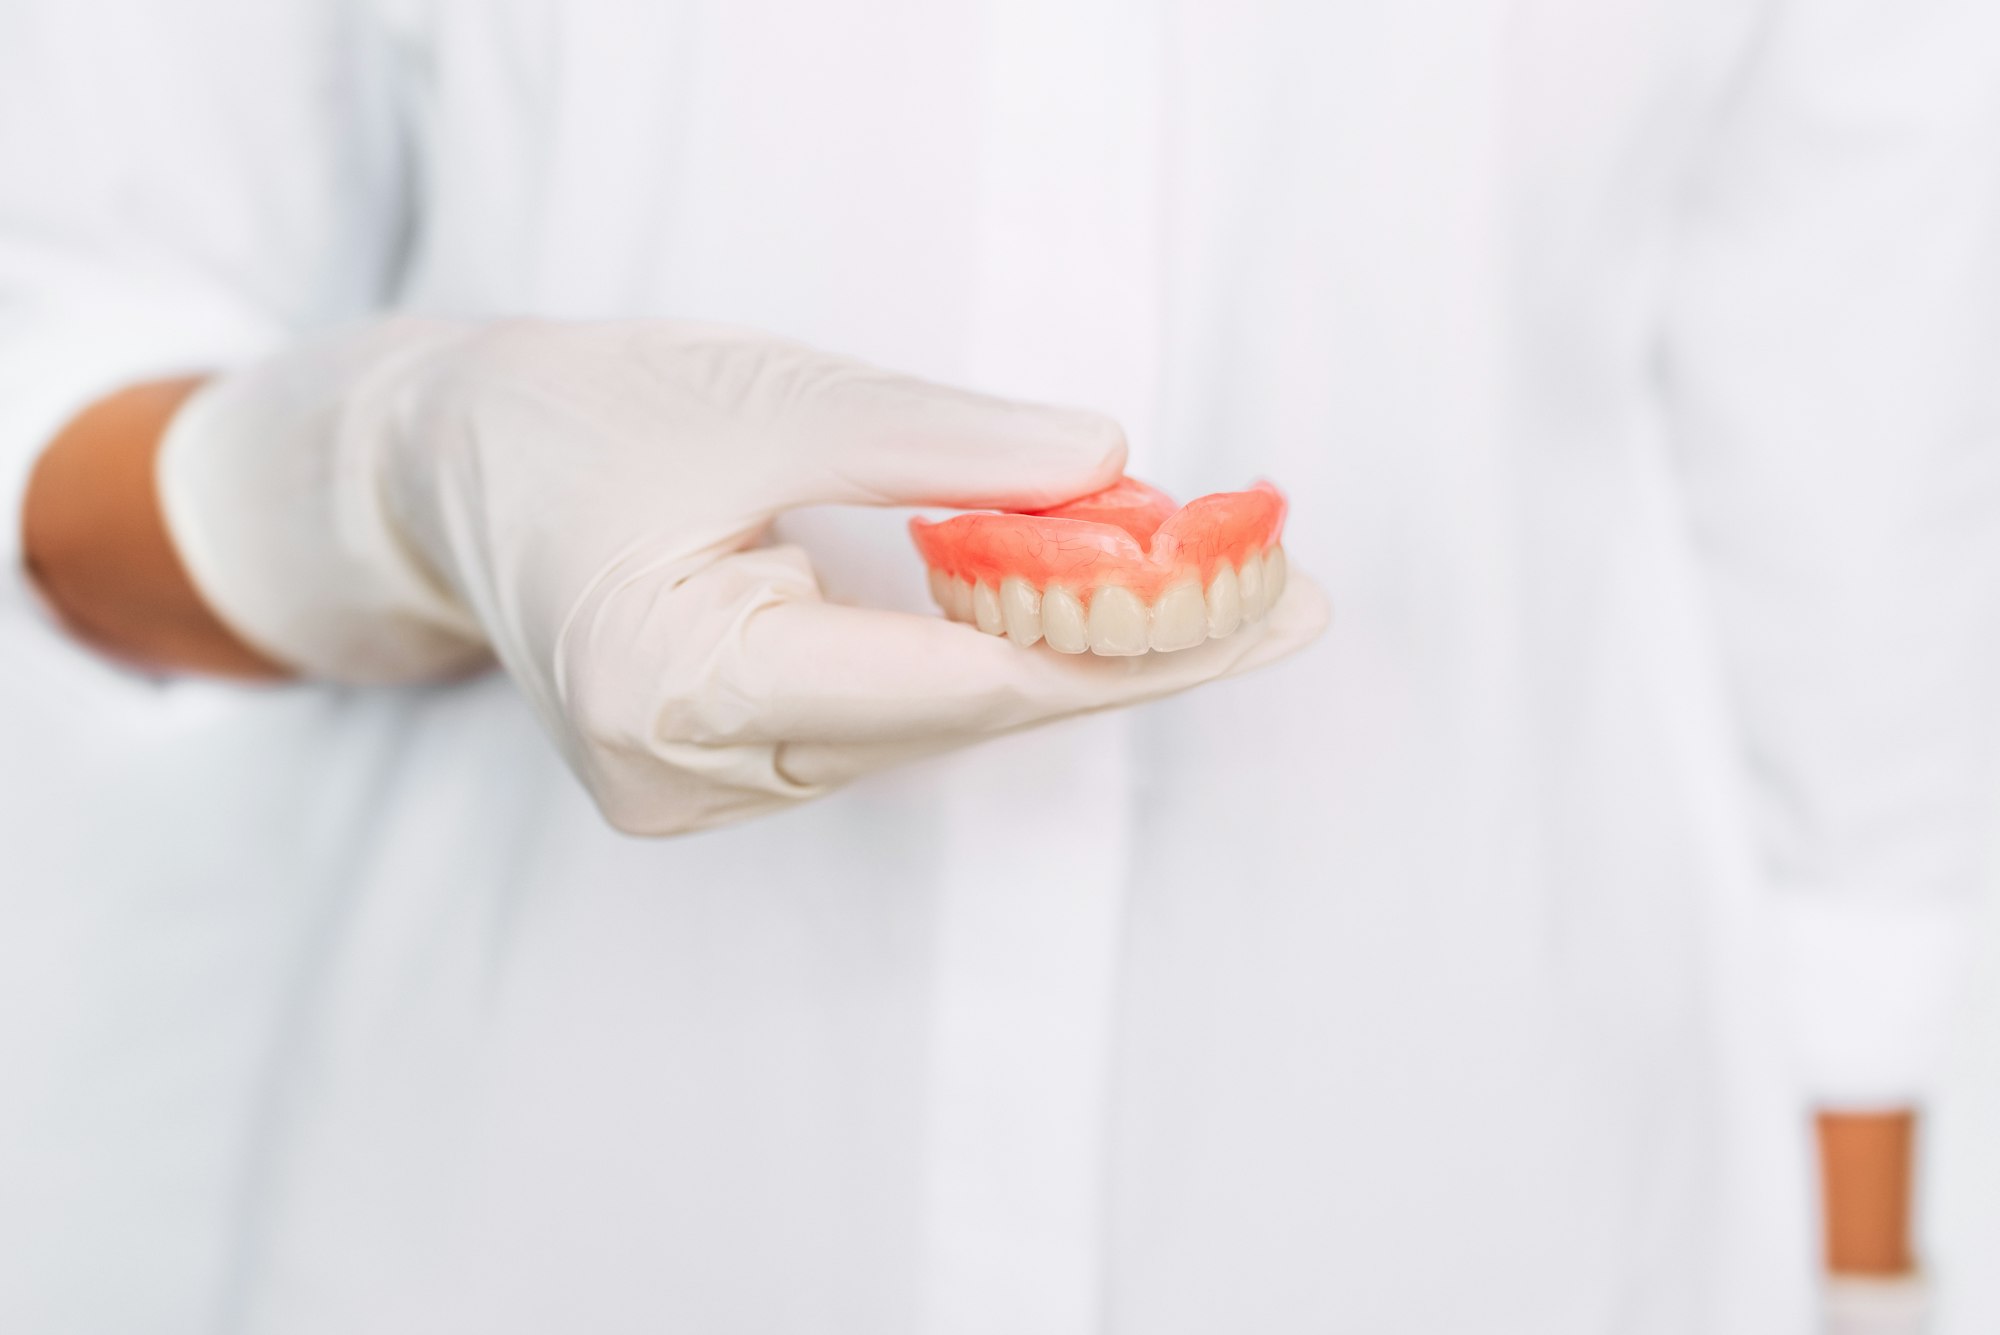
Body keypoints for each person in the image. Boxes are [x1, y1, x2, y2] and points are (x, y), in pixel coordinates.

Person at [3, 0, 1995, 1331]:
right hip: (550, 1212)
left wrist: (1863, 1268)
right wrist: (403, 473)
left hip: (1498, 1198)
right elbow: (56, 393)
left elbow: (1848, 487)